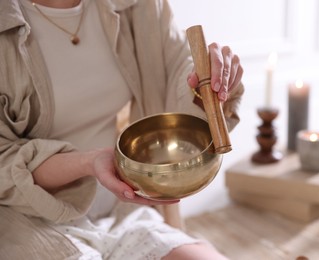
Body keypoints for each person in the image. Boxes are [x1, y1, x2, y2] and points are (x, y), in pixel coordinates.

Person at [0, 0, 244, 259]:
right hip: (27, 216)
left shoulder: (137, 4)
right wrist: (87, 162)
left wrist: (205, 84)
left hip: (120, 205)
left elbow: (176, 70)